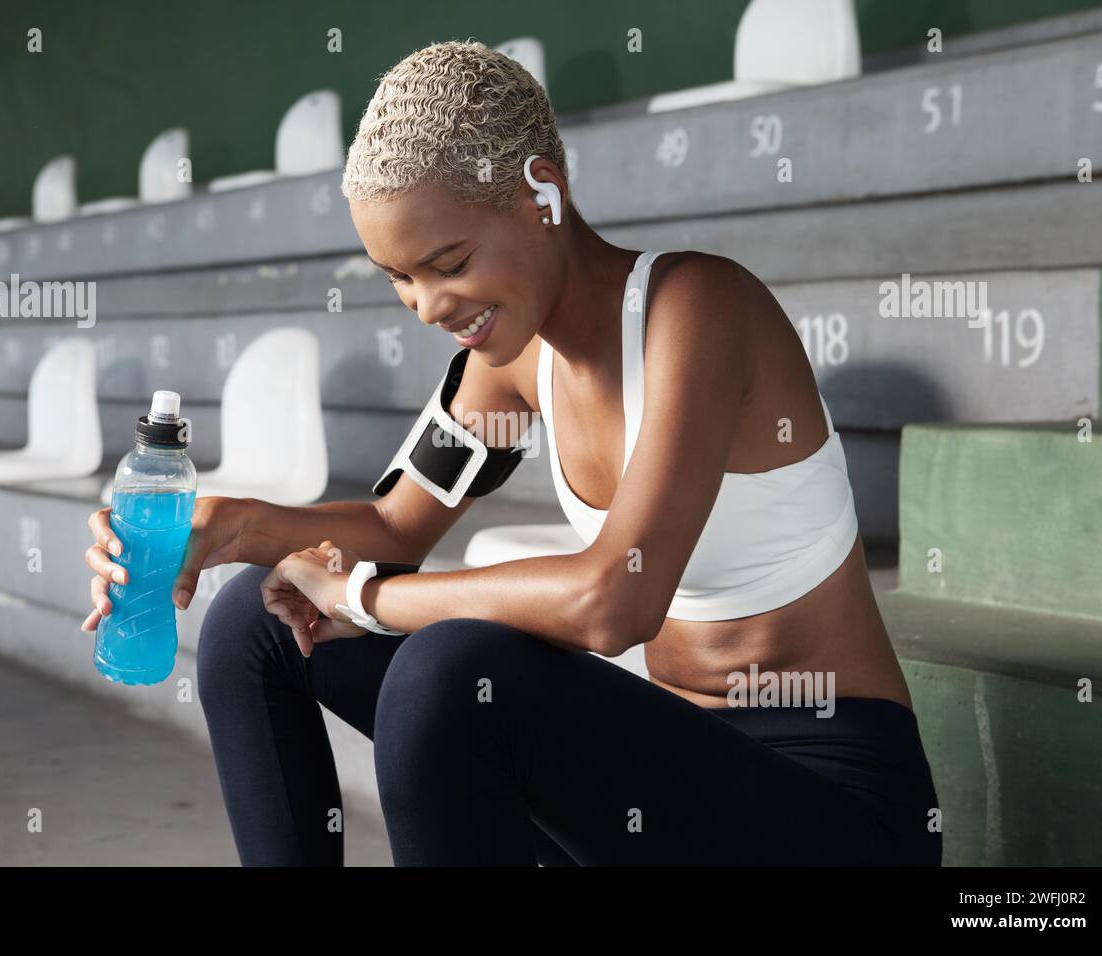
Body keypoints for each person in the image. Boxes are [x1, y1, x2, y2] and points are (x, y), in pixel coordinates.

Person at [81, 39, 941, 867]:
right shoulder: (511, 362)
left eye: (447, 262)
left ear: (543, 192)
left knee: (450, 671)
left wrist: (361, 595)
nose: (426, 306)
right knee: (254, 618)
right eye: (399, 278)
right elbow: (392, 522)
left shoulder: (699, 309)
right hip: (667, 783)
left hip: (826, 807)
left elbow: (615, 600)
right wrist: (230, 526)